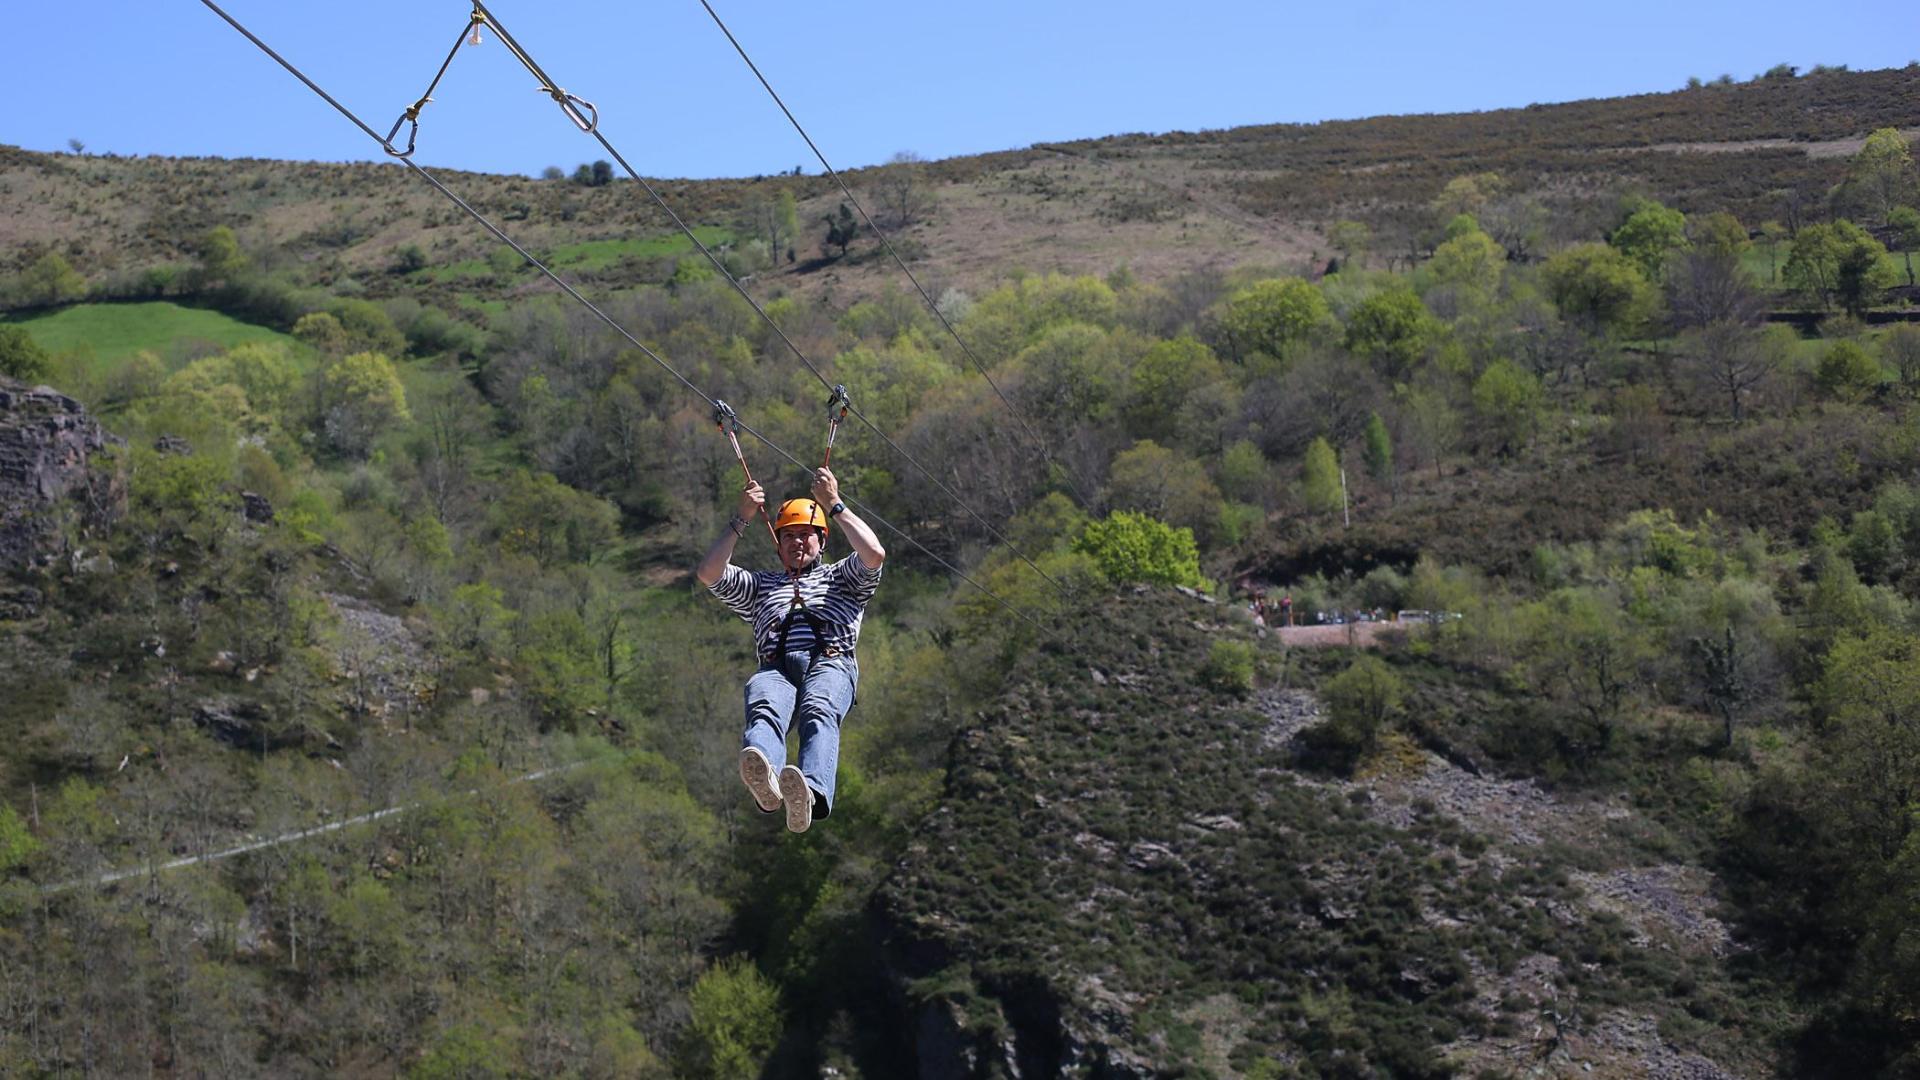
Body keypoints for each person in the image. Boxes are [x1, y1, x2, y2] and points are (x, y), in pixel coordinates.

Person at [695, 466, 885, 833]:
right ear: (778, 544)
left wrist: (833, 504)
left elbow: (874, 554)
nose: (797, 542)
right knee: (763, 701)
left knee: (819, 708)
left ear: (821, 541)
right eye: (789, 537)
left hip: (830, 662)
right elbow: (710, 573)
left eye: (806, 535)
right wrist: (741, 519)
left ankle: (811, 790)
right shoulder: (761, 587)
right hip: (777, 668)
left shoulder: (841, 577)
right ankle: (764, 771)